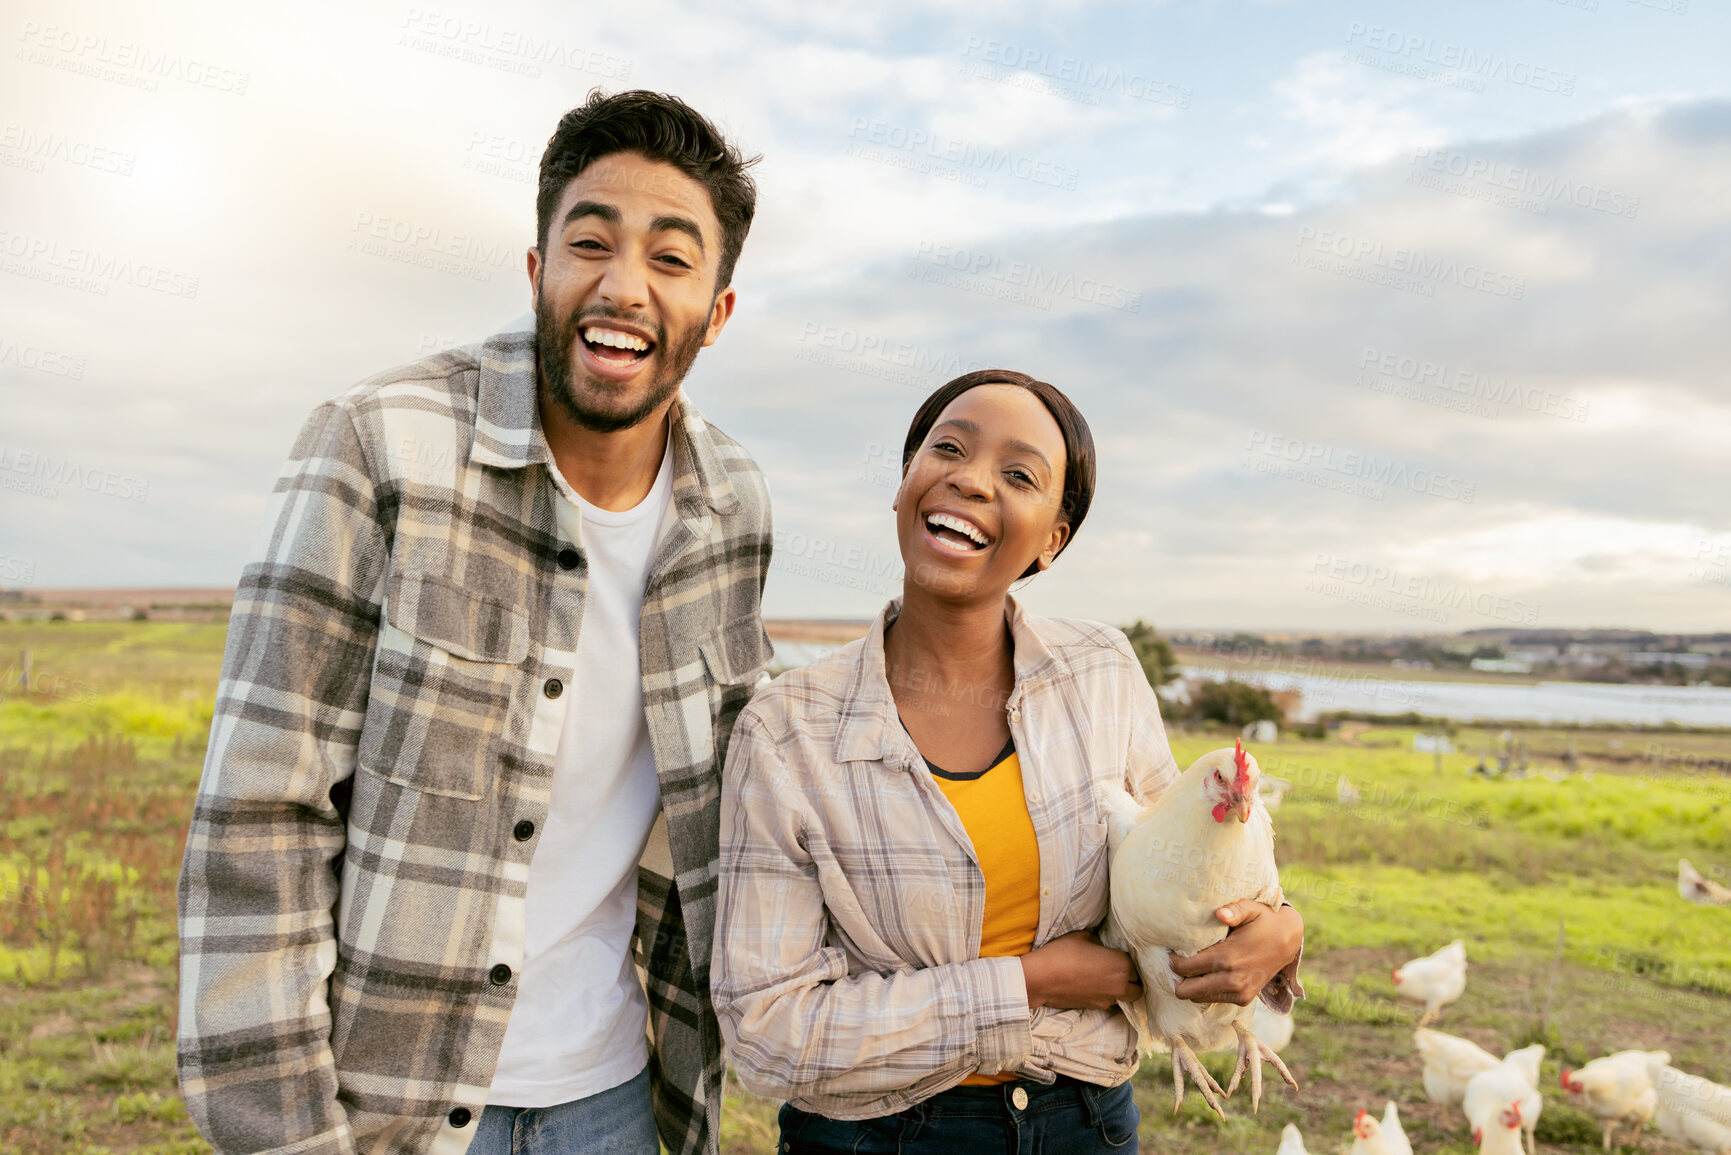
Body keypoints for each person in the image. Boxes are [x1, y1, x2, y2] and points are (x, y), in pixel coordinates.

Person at [176, 90, 771, 1155]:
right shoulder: (381, 446)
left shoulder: (732, 507)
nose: (623, 285)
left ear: (717, 313)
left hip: (624, 1101)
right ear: (540, 272)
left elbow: (754, 799)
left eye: (673, 261)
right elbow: (259, 821)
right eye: (590, 242)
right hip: (389, 1109)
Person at [713, 371, 1304, 1153]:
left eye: (1018, 474)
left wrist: (1282, 933)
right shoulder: (788, 731)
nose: (969, 477)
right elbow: (766, 1032)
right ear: (904, 484)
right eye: (947, 448)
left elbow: (1188, 874)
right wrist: (1025, 984)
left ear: (1051, 539)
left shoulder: (1101, 672)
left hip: (1084, 1123)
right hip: (873, 1136)